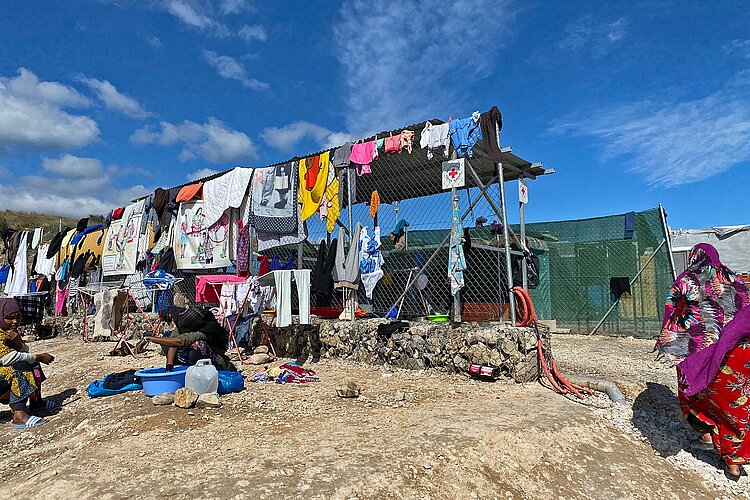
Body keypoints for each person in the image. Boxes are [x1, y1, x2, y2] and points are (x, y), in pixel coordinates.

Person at [655, 243, 750, 480]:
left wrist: (677, 346)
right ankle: (733, 462)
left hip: (704, 354)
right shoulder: (733, 279)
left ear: (694, 257)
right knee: (733, 405)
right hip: (739, 354)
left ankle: (707, 434)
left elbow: (676, 317)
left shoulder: (686, 280)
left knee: (691, 388)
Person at [0, 298, 58, 429]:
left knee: (32, 363)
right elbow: (8, 358)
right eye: (10, 318)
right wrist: (39, 356)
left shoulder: (9, 331)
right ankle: (19, 415)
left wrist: (18, 342)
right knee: (22, 365)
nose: (15, 321)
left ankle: (36, 403)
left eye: (18, 317)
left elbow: (25, 352)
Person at [145, 307, 235, 372]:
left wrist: (150, 338)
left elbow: (177, 341)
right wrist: (169, 368)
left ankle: (205, 371)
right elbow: (173, 342)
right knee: (166, 343)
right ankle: (185, 368)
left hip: (216, 360)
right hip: (187, 357)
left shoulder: (205, 331)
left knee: (197, 346)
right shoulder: (185, 325)